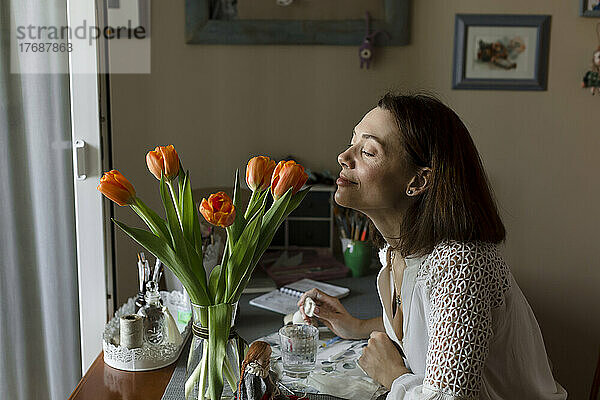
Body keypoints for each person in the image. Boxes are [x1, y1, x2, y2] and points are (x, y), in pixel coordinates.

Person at [297, 93, 567, 399]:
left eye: (368, 151)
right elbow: (431, 331)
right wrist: (353, 325)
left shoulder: (460, 265)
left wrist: (394, 377)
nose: (344, 157)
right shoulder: (398, 252)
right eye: (353, 140)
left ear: (418, 181)